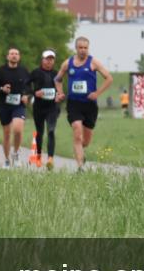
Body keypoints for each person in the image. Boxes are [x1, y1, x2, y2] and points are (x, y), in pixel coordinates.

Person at [54, 36, 113, 172]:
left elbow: (109, 78)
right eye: (80, 47)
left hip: (90, 105)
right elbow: (57, 79)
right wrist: (60, 92)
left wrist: (97, 93)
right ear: (76, 48)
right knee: (77, 132)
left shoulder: (93, 62)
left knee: (85, 141)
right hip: (74, 104)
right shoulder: (68, 63)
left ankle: (81, 152)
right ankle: (80, 167)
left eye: (85, 48)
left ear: (88, 48)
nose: (83, 50)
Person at [0, 47, 31, 168]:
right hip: (4, 106)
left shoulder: (24, 71)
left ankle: (16, 154)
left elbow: (30, 87)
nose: (14, 56)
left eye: (16, 54)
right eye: (12, 54)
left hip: (19, 105)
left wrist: (27, 95)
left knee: (18, 129)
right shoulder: (1, 71)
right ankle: (7, 160)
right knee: (7, 134)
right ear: (8, 57)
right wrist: (2, 89)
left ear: (19, 57)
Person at [29, 49, 62, 170]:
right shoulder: (35, 72)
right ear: (42, 60)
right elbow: (26, 86)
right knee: (40, 132)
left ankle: (50, 159)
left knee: (51, 131)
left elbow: (60, 89)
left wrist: (59, 95)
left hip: (52, 107)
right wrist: (34, 93)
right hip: (39, 107)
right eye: (47, 59)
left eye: (51, 59)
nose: (49, 61)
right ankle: (38, 156)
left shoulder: (56, 74)